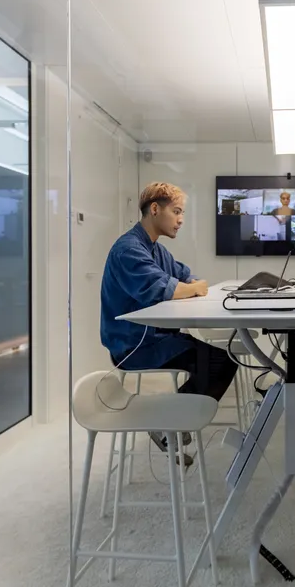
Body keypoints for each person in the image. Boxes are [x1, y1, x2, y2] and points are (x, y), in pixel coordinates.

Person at [100, 182, 238, 462]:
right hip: (134, 347)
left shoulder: (156, 250)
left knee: (219, 361)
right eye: (176, 211)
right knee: (220, 362)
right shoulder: (129, 250)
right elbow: (169, 289)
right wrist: (189, 287)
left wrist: (190, 286)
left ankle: (171, 428)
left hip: (159, 339)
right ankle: (168, 427)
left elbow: (188, 278)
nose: (181, 219)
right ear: (154, 209)